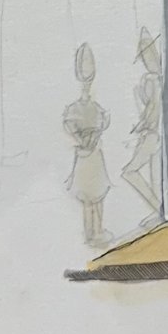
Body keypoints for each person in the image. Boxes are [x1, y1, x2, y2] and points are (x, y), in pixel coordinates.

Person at [63, 43, 111, 247]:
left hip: (87, 155)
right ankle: (94, 232)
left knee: (92, 195)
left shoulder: (81, 108)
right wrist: (89, 136)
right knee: (93, 195)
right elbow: (75, 126)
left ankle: (93, 232)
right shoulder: (88, 108)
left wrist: (84, 137)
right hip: (89, 155)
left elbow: (72, 125)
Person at [120, 28, 162, 216]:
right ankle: (159, 211)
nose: (147, 60)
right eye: (144, 56)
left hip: (151, 134)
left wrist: (141, 126)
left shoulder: (152, 80)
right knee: (156, 178)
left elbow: (154, 106)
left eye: (148, 55)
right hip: (156, 135)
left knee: (130, 172)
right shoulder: (156, 78)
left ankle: (158, 208)